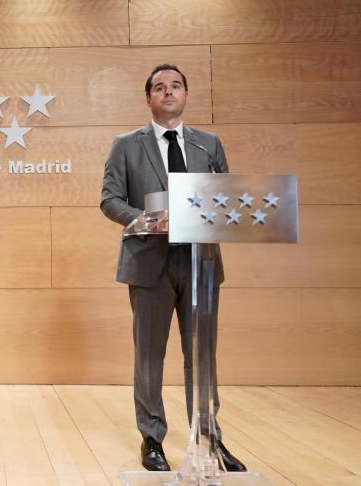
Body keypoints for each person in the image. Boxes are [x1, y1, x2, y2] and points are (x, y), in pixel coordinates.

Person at [100, 64, 246, 472]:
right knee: (150, 355)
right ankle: (152, 439)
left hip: (201, 261)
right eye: (160, 87)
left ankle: (208, 436)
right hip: (150, 261)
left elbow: (226, 198)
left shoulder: (207, 144)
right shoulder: (126, 145)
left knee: (202, 355)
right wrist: (148, 220)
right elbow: (110, 199)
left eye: (176, 86)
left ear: (186, 95)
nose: (169, 92)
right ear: (148, 98)